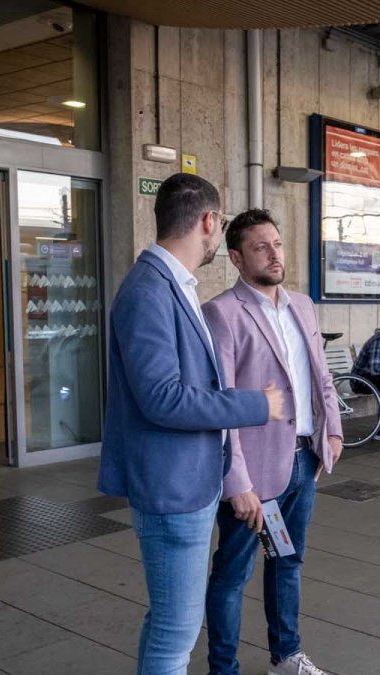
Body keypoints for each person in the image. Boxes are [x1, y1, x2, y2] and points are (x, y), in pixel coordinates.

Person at [98, 174, 283, 675]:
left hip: (187, 481)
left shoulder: (169, 285)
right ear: (209, 222)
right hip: (172, 487)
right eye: (219, 227)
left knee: (169, 624)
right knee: (176, 632)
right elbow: (162, 399)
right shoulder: (149, 291)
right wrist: (256, 406)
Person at [201, 208, 344, 675]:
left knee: (287, 561)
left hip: (304, 460)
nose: (274, 254)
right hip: (253, 473)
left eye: (277, 244)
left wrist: (333, 430)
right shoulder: (222, 313)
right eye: (261, 247)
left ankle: (286, 657)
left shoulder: (302, 304)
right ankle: (224, 669)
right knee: (232, 574)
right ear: (238, 259)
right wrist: (236, 480)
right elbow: (220, 406)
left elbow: (320, 377)